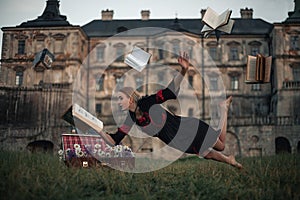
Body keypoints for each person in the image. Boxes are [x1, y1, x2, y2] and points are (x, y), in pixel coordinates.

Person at [105, 52, 243, 169]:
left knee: (220, 146)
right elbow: (114, 139)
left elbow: (169, 92)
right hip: (178, 141)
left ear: (130, 98)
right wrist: (95, 127)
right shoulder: (130, 118)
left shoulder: (147, 102)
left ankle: (223, 109)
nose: (117, 102)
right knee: (207, 153)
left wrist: (183, 71)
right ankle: (229, 160)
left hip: (187, 128)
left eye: (120, 98)